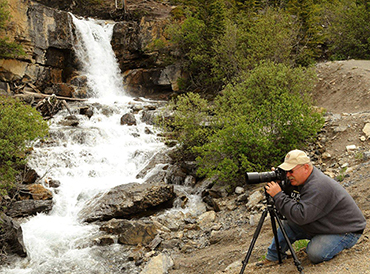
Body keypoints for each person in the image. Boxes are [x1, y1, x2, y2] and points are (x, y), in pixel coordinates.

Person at [262, 149, 366, 265]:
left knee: (315, 253)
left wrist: (278, 195)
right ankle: (274, 256)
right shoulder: (299, 180)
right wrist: (280, 185)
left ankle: (331, 243)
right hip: (323, 222)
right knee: (289, 225)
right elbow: (288, 211)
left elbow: (301, 216)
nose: (288, 175)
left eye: (291, 171)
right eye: (286, 171)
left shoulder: (318, 186)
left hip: (345, 229)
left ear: (306, 167)